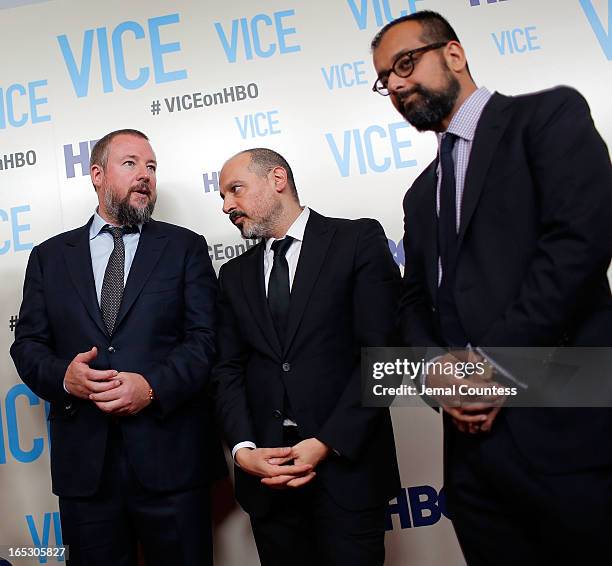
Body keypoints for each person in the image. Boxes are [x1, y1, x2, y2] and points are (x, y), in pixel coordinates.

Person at [370, 10, 612, 566]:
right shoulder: (418, 194)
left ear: (453, 54)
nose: (398, 85)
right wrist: (437, 374)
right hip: (473, 462)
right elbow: (412, 301)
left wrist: (493, 368)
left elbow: (578, 245)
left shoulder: (547, 117)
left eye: (406, 63)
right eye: (386, 79)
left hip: (566, 434)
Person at [10, 129, 219, 566]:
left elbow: (205, 340)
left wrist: (153, 387)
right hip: (87, 474)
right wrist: (64, 378)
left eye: (152, 167)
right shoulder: (49, 257)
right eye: (131, 164)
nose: (145, 175)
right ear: (97, 175)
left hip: (173, 465)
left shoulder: (185, 247)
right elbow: (27, 344)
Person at [212, 148, 401, 566]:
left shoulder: (357, 240)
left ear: (277, 178)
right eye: (222, 196)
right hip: (269, 482)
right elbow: (227, 371)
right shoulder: (233, 276)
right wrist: (244, 451)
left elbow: (386, 357)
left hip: (348, 473)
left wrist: (327, 441)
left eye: (235, 189)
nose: (227, 206)